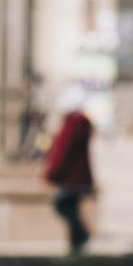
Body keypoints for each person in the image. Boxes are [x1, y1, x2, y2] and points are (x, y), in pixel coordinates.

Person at [44, 85, 94, 255]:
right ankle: (76, 243)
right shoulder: (82, 123)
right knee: (71, 207)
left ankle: (81, 235)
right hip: (78, 176)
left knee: (64, 205)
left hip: (70, 176)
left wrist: (53, 171)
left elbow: (62, 150)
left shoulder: (73, 123)